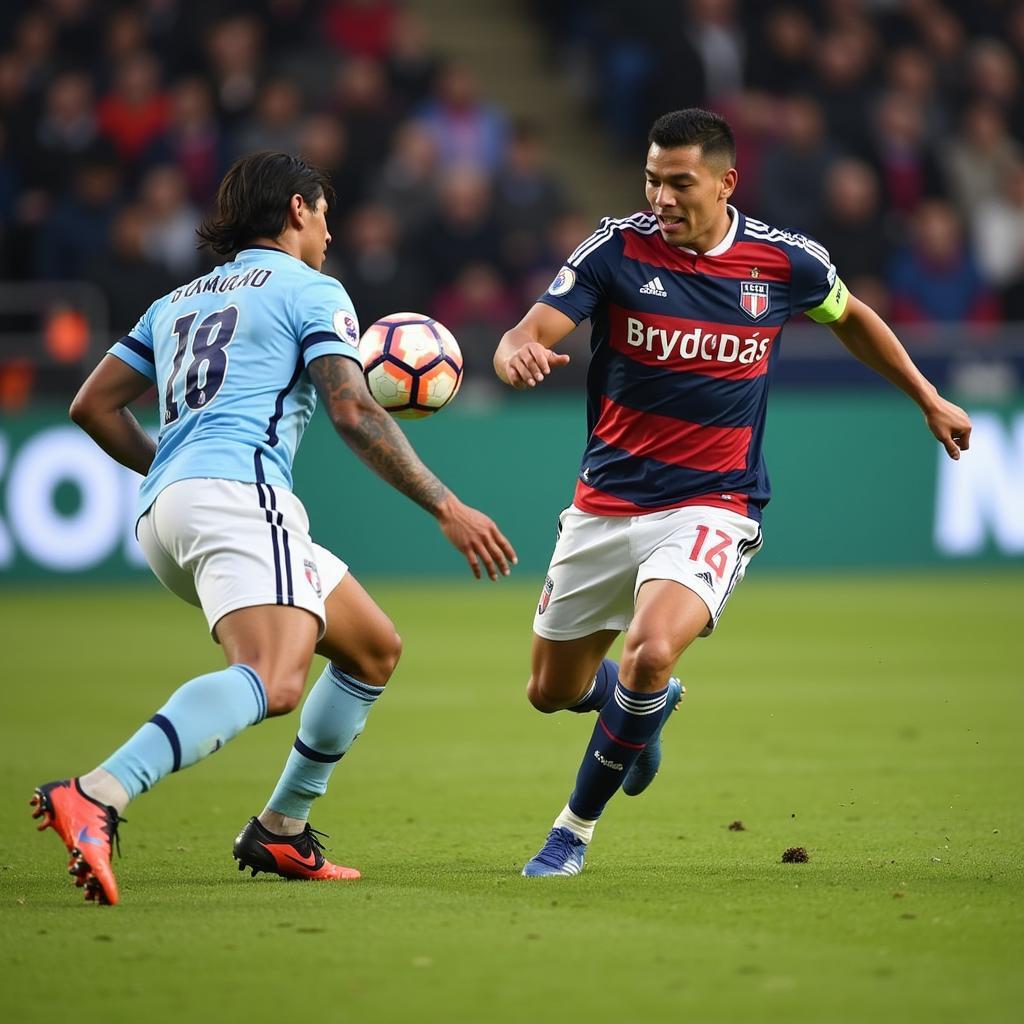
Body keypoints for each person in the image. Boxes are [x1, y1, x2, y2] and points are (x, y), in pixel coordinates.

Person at [493, 108, 971, 877]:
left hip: (716, 501)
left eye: (680, 182)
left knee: (651, 649)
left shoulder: (784, 263)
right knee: (551, 692)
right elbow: (530, 330)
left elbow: (854, 320)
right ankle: (634, 713)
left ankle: (571, 831)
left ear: (725, 182)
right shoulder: (615, 249)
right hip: (604, 504)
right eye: (652, 180)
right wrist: (518, 352)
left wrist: (926, 394)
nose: (662, 197)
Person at [32, 151, 516, 904]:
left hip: (168, 510)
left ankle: (281, 829)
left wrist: (176, 466)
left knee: (371, 648)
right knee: (274, 677)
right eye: (323, 214)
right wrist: (447, 507)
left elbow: (90, 406)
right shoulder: (310, 289)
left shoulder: (177, 301)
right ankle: (99, 792)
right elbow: (353, 411)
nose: (329, 231)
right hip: (240, 497)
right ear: (298, 208)